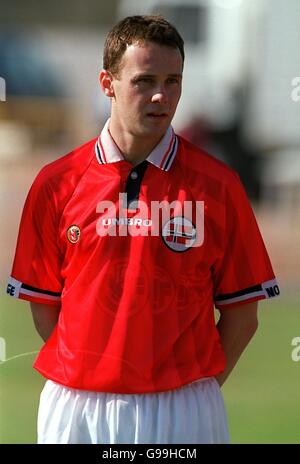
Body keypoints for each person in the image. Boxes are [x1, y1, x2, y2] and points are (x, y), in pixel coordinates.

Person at [6, 15, 280, 444]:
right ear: (107, 83)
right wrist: (97, 367)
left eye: (173, 81)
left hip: (185, 406)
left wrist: (191, 388)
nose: (161, 95)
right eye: (144, 80)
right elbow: (45, 305)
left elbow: (243, 314)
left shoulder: (218, 185)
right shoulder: (56, 182)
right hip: (78, 407)